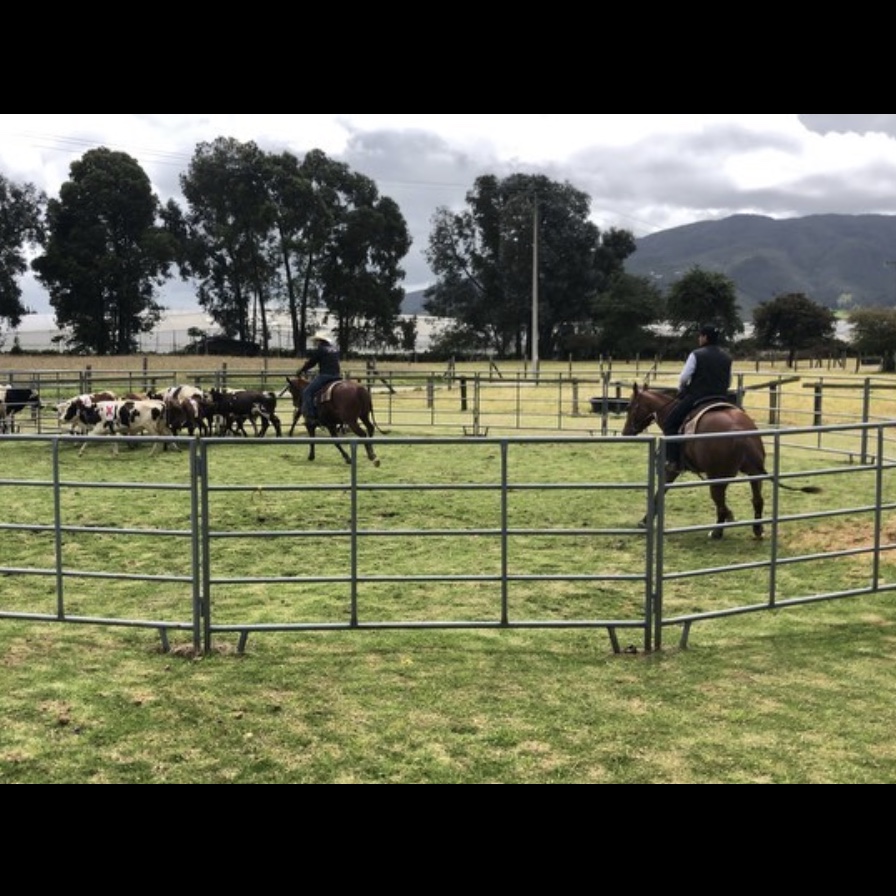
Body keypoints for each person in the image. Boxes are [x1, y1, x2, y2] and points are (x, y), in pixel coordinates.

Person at [662, 323, 732, 474]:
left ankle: (673, 461)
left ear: (705, 337)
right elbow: (729, 381)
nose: (699, 339)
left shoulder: (696, 354)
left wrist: (682, 388)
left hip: (698, 396)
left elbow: (684, 377)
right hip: (721, 397)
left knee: (670, 423)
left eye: (700, 336)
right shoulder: (727, 357)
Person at [298, 330, 342, 424]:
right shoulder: (335, 349)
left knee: (307, 392)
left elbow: (312, 362)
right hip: (337, 376)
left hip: (325, 376)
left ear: (319, 341)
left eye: (316, 341)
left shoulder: (321, 349)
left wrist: (302, 370)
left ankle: (312, 416)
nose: (315, 343)